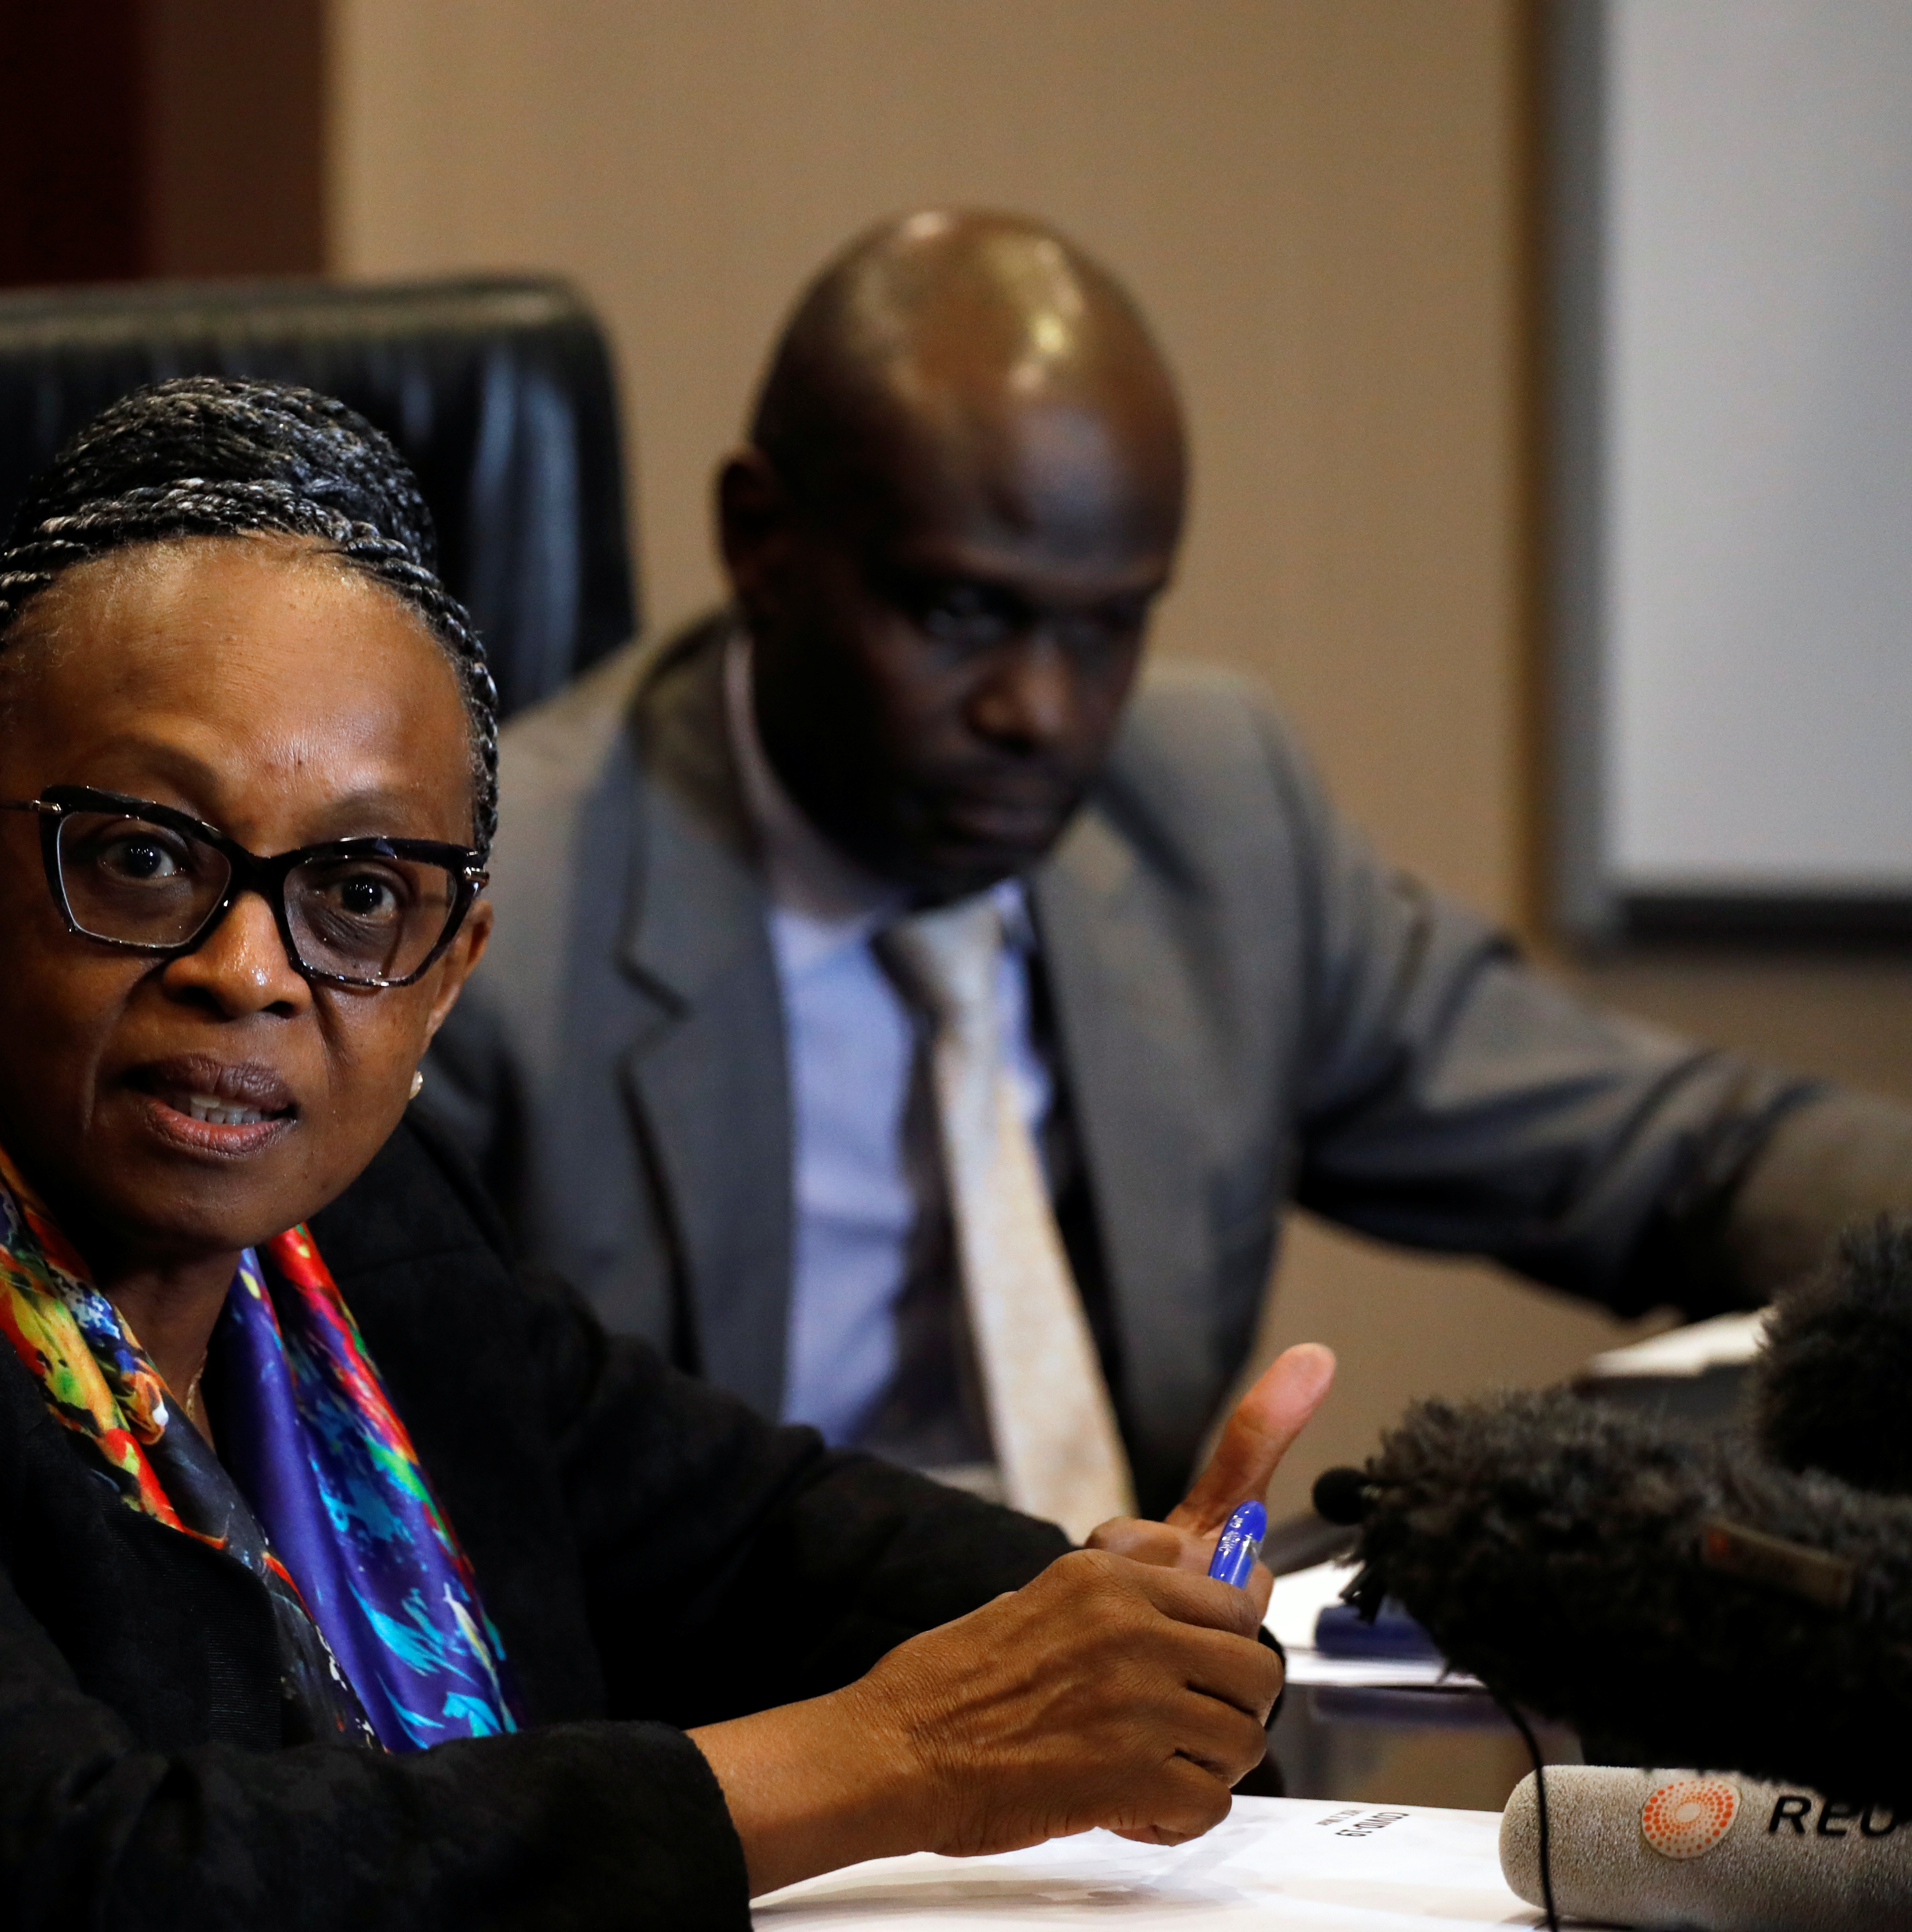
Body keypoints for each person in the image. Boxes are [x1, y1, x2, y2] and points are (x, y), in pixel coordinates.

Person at [0, 378, 1330, 1932]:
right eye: (144, 859)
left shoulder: (355, 1232)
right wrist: (893, 1758)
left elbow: (758, 1537)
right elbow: (65, 1910)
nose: (252, 972)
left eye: (357, 894)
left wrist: (1131, 1631)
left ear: (449, 962)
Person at [426, 208, 1912, 1529]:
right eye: (959, 613)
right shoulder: (497, 922)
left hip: (1135, 1710)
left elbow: (1679, 1154)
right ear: (760, 539)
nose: (1042, 710)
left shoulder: (1209, 809)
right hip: (737, 1732)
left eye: (1106, 626)